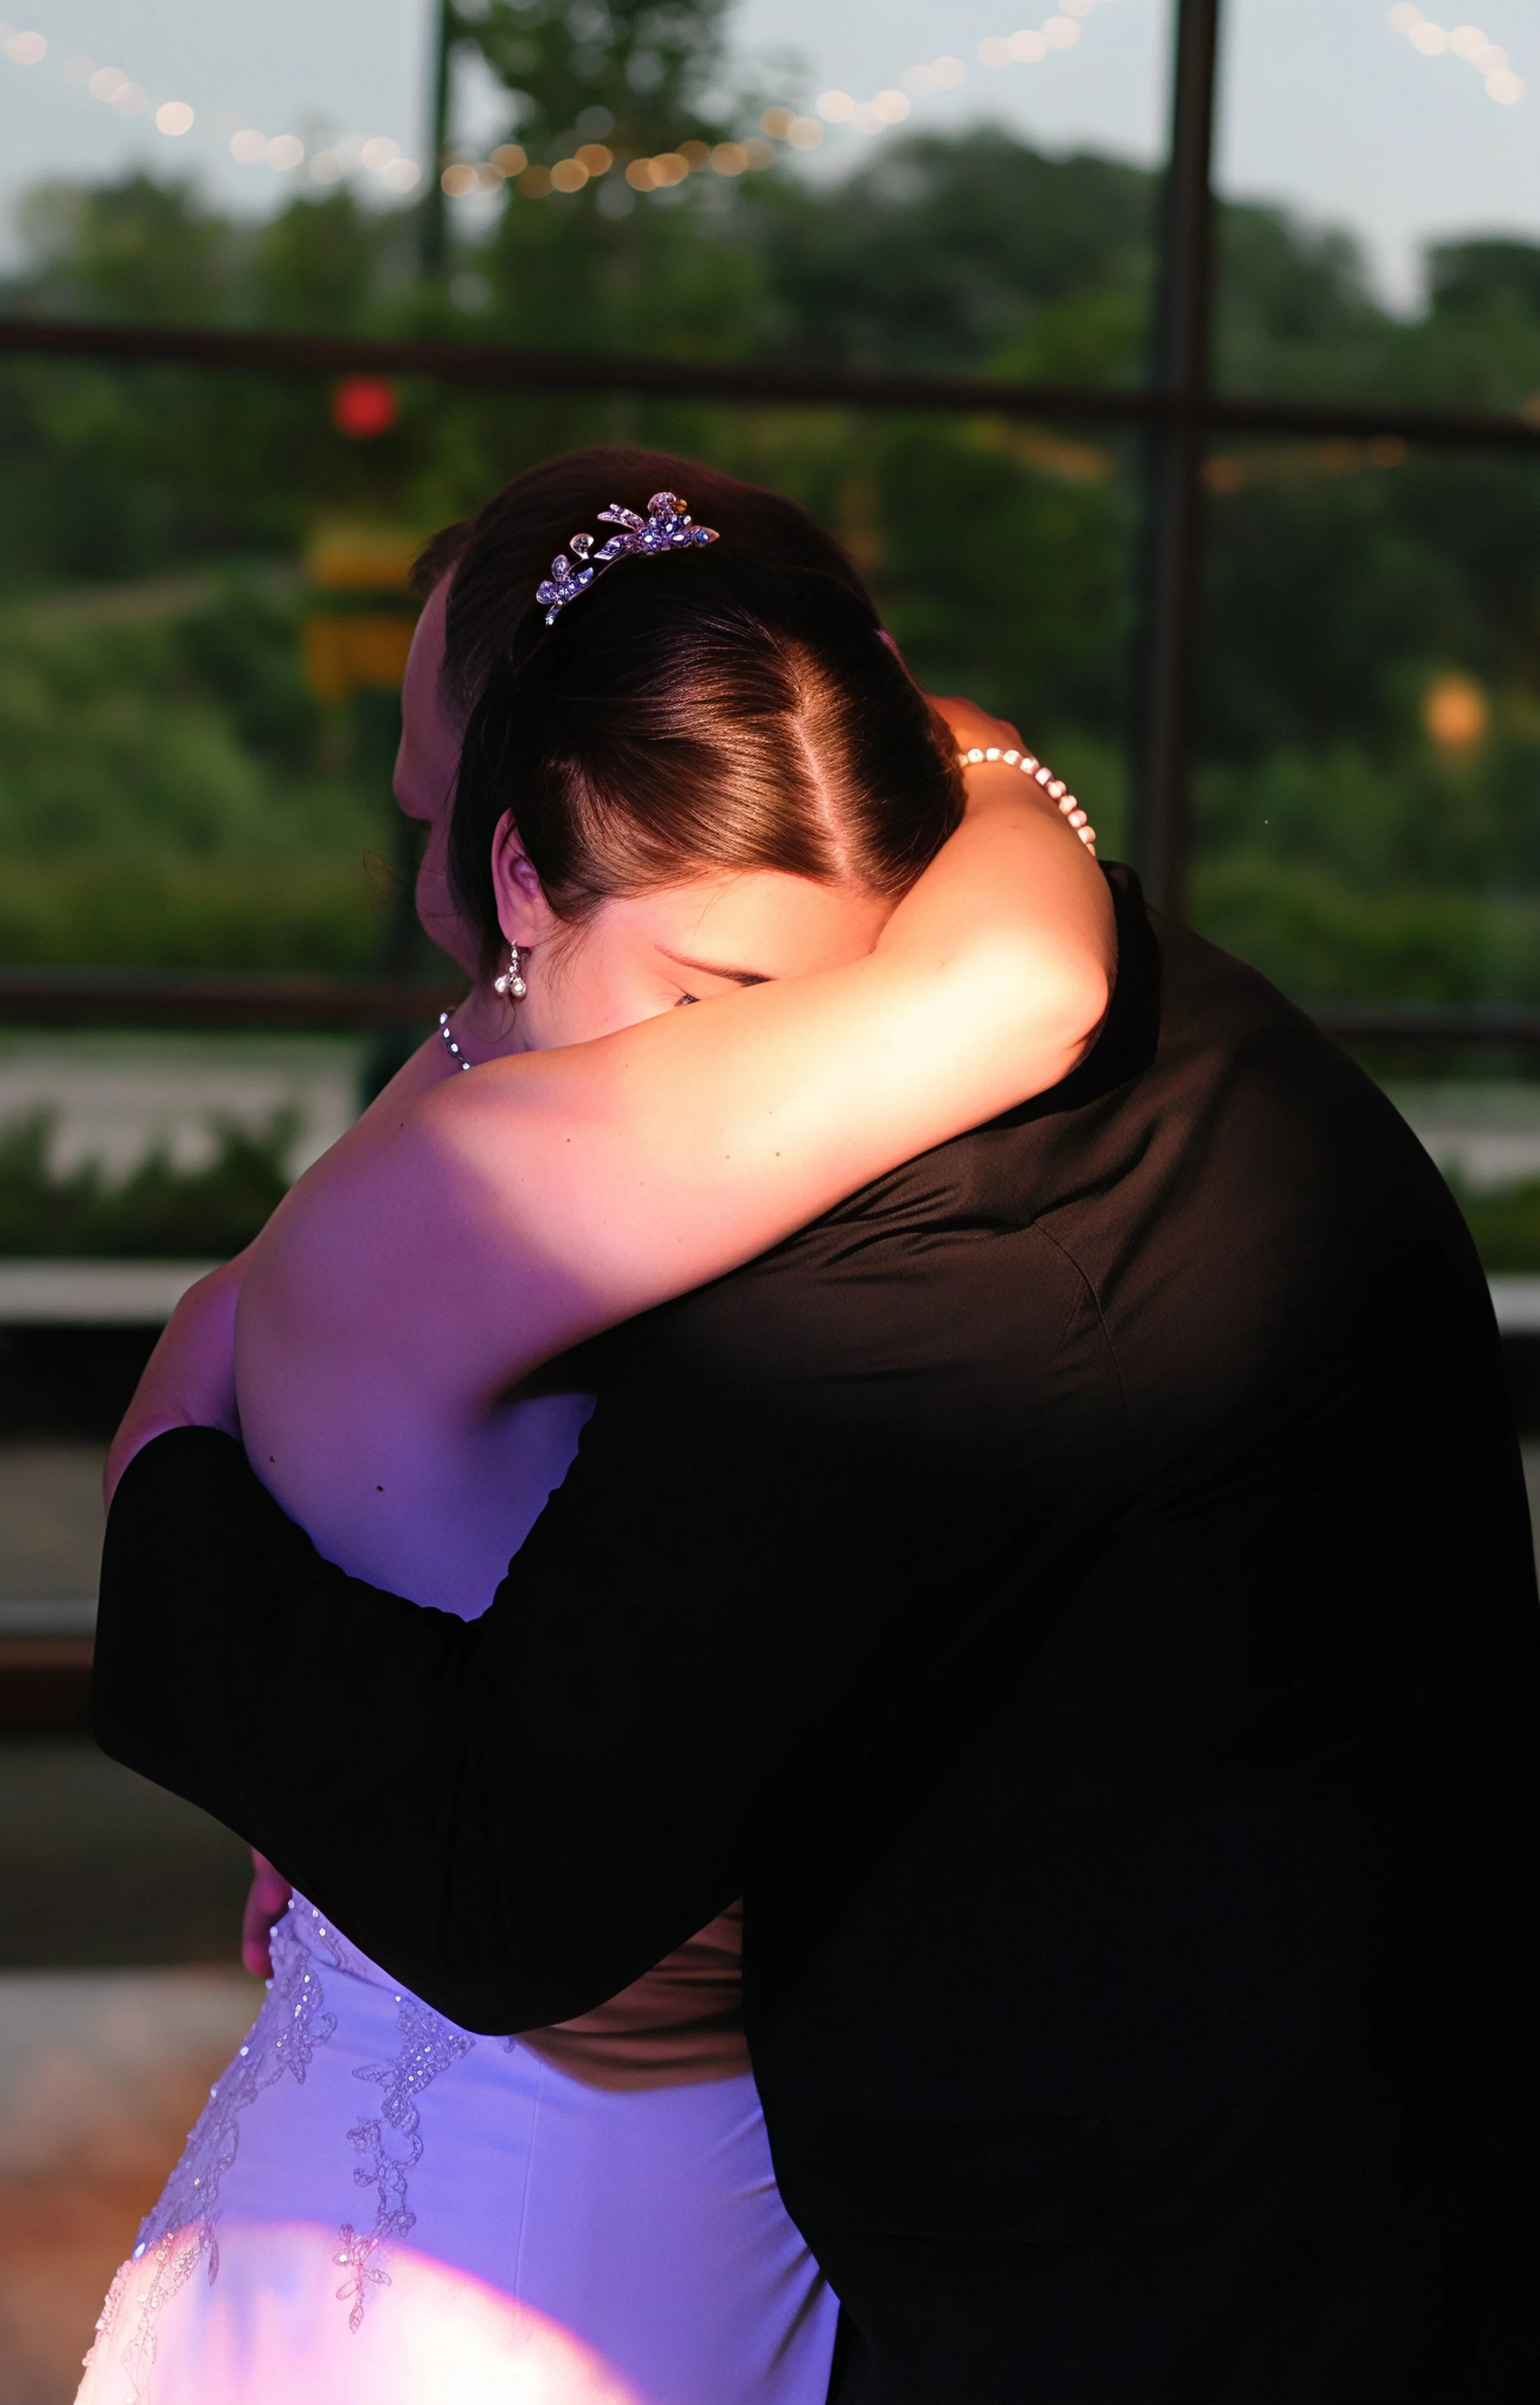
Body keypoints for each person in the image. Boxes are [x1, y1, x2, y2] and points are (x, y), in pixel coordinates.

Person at [93, 465, 1540, 2403]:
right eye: (430, 802)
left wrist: (171, 1503)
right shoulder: (1020, 981)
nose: (437, 884)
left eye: (744, 991)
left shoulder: (902, 1254)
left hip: (1164, 2277)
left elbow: (511, 1884)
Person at [77, 450, 1113, 2405]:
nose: (767, 1070)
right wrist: (979, 752)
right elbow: (1033, 975)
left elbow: (238, 1332)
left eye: (809, 998)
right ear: (523, 876)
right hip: (519, 2216)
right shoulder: (504, 1183)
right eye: (714, 986)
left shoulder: (488, 1057)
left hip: (640, 2170)